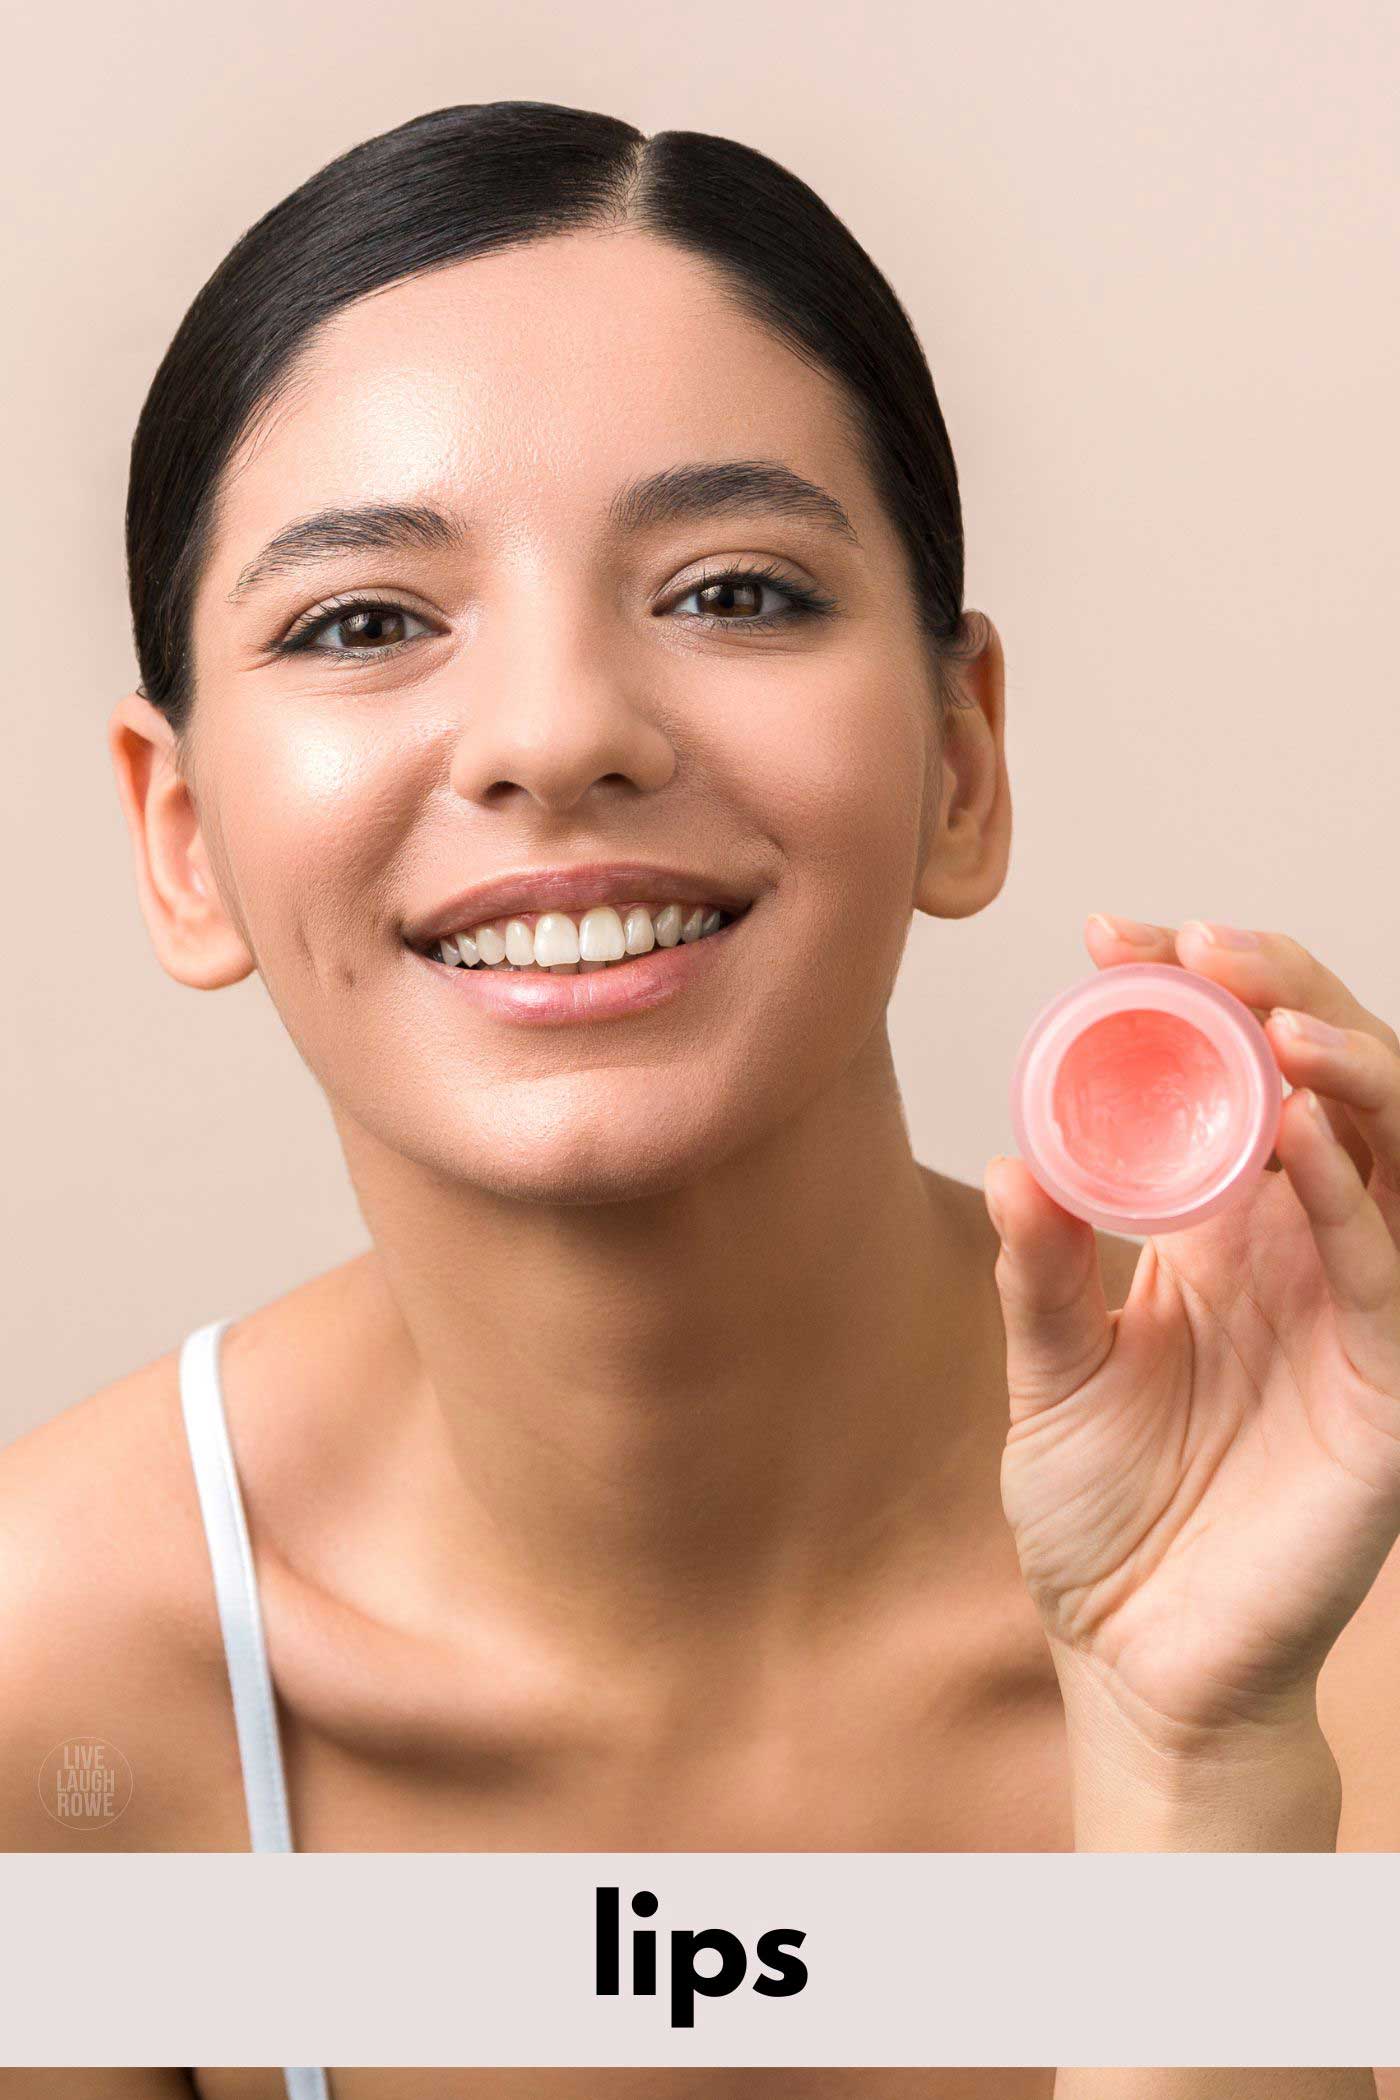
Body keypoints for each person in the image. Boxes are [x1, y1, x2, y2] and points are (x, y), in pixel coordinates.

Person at [3, 104, 1399, 1922]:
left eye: (733, 591)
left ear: (962, 763)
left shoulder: (1338, 1606)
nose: (555, 730)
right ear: (178, 835)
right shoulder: (58, 1708)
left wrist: (1203, 1769)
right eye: (360, 622)